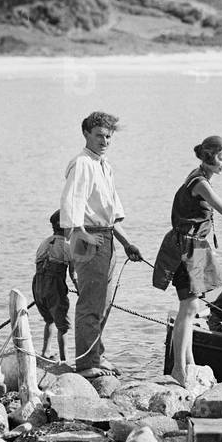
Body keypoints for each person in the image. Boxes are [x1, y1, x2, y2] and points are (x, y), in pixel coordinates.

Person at [152, 135, 222, 385]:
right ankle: (178, 367)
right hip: (187, 249)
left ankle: (189, 361)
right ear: (209, 157)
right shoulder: (200, 183)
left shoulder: (196, 175)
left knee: (191, 307)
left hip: (192, 246)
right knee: (187, 310)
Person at [60, 111, 144, 379]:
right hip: (89, 239)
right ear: (86, 134)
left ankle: (96, 354)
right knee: (90, 303)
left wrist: (128, 243)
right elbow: (71, 206)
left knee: (103, 303)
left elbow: (112, 218)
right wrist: (83, 235)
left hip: (105, 236)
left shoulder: (104, 165)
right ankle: (86, 364)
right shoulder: (82, 163)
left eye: (109, 136)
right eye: (99, 136)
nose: (105, 141)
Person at [32, 210, 75, 361]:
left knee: (49, 320)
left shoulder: (44, 243)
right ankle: (64, 359)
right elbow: (73, 274)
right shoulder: (67, 246)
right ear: (67, 228)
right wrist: (79, 288)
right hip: (55, 287)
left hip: (37, 285)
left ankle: (45, 351)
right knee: (63, 327)